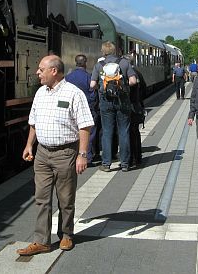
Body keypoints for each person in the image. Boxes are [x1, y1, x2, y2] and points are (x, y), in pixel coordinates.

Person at [16, 55, 94, 256]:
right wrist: (29, 145)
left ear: (54, 71)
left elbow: (85, 125)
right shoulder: (41, 93)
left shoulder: (74, 93)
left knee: (65, 198)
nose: (37, 73)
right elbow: (33, 122)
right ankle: (41, 241)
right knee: (41, 198)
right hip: (42, 153)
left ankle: (66, 234)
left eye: (41, 69)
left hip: (65, 153)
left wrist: (82, 154)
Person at [90, 41, 137, 173]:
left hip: (105, 102)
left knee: (107, 132)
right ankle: (125, 164)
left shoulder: (99, 65)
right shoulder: (124, 63)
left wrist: (101, 86)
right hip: (123, 101)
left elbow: (92, 85)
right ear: (115, 51)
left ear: (103, 52)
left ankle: (106, 163)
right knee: (123, 131)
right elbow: (133, 81)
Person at [65, 54, 98, 164]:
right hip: (87, 108)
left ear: (75, 62)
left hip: (71, 109)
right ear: (85, 63)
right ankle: (87, 157)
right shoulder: (89, 77)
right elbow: (93, 93)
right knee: (89, 133)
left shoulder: (68, 77)